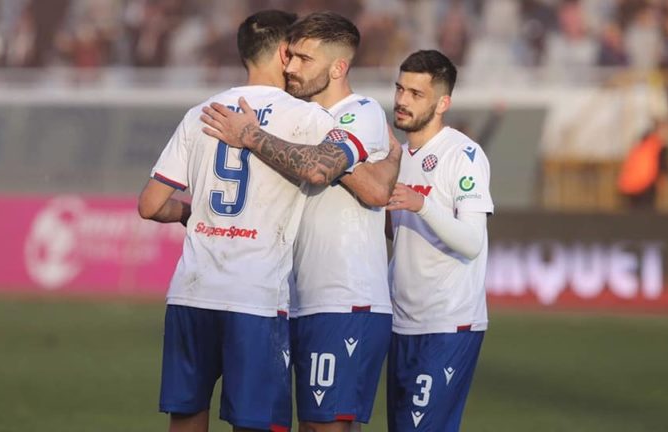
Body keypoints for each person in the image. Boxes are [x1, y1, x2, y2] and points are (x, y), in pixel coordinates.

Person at [137, 10, 343, 432]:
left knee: (186, 417)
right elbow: (333, 170)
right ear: (285, 53)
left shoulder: (202, 113)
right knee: (257, 422)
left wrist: (193, 214)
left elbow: (151, 204)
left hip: (192, 292)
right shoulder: (308, 118)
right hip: (255, 296)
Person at [201, 12, 400, 432]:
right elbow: (366, 186)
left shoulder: (359, 111)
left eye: (304, 59)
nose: (290, 67)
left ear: (338, 68)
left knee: (323, 426)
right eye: (290, 56)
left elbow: (317, 168)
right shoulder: (298, 116)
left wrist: (250, 136)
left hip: (344, 298)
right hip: (293, 299)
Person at [385, 50, 494, 432]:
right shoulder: (397, 156)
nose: (402, 100)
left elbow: (472, 241)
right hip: (402, 321)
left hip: (448, 323)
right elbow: (397, 233)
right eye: (400, 89)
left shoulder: (463, 155)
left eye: (416, 94)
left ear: (443, 103)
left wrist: (422, 205)